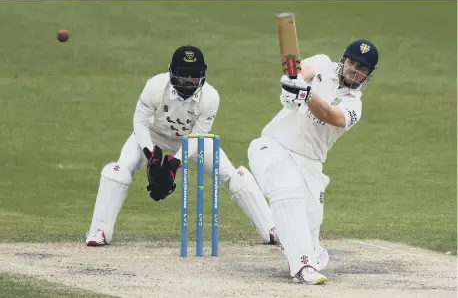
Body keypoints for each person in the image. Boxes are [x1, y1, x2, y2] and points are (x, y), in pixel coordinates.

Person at [85, 45, 279, 247]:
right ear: (171, 73)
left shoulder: (210, 97)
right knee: (117, 171)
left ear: (203, 76)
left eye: (194, 78)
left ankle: (272, 229)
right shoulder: (155, 86)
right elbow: (140, 123)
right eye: (183, 77)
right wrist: (151, 155)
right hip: (152, 135)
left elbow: (197, 138)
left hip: (191, 141)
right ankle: (99, 230)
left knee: (233, 175)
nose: (188, 82)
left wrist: (173, 164)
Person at [247, 39, 379, 284]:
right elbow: (298, 70)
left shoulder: (354, 106)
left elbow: (330, 115)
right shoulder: (322, 64)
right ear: (343, 60)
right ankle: (302, 268)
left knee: (310, 240)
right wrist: (291, 83)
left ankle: (297, 247)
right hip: (272, 146)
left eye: (362, 68)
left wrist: (305, 94)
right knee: (287, 191)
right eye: (351, 62)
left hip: (310, 164)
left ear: (368, 75)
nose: (354, 70)